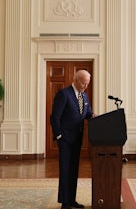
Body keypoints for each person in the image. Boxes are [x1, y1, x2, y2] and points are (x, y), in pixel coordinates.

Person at [50, 69, 94, 209]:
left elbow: (86, 113)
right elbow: (55, 117)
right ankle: (65, 202)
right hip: (65, 140)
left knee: (74, 170)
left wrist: (93, 116)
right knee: (65, 170)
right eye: (83, 83)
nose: (86, 86)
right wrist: (59, 136)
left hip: (77, 139)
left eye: (87, 83)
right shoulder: (64, 94)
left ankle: (72, 200)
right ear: (75, 80)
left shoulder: (84, 96)